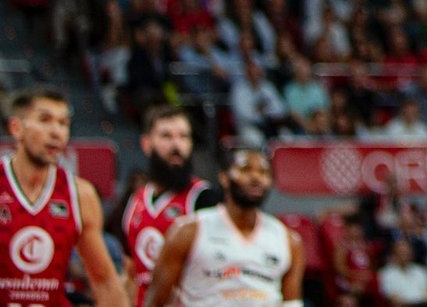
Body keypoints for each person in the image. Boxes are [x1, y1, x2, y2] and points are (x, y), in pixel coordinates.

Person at [0, 85, 127, 307]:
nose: (57, 132)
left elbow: (105, 281)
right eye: (45, 120)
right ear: (16, 128)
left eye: (63, 123)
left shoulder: (80, 194)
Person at [144, 148, 304, 307]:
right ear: (224, 177)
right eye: (245, 169)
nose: (256, 178)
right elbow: (155, 301)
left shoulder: (288, 240)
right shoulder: (188, 232)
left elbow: (292, 303)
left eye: (263, 172)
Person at [118, 106, 221, 306]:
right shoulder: (134, 201)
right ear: (147, 144)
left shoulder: (205, 198)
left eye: (183, 137)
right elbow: (130, 274)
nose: (177, 145)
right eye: (167, 136)